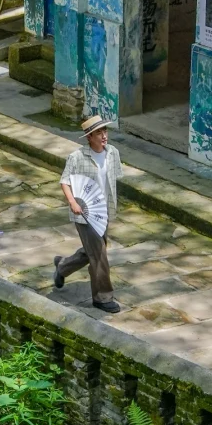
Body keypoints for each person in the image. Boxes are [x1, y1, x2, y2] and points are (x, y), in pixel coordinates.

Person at [52, 114, 123, 313]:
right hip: (84, 212)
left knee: (93, 249)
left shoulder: (113, 153)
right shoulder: (76, 158)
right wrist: (73, 201)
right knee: (99, 254)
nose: (103, 136)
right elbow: (64, 181)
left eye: (105, 131)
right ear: (89, 137)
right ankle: (102, 297)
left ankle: (63, 266)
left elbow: (112, 182)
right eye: (99, 132)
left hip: (103, 210)